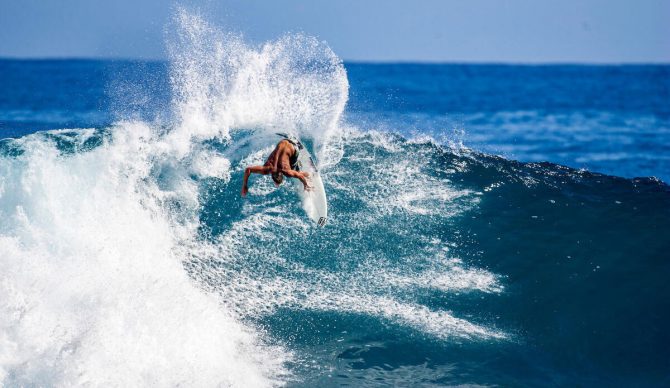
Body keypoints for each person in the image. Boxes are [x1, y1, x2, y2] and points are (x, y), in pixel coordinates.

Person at [241, 139, 311, 197]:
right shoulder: (268, 168)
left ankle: (309, 174)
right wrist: (244, 185)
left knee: (295, 170)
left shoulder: (286, 171)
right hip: (285, 142)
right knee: (287, 164)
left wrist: (306, 185)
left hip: (294, 148)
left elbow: (300, 175)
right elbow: (248, 169)